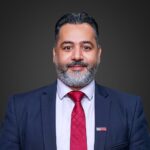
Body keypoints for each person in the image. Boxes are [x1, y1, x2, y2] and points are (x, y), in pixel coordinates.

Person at [0, 12, 149, 150]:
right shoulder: (19, 109)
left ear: (99, 54)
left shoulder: (130, 109)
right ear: (54, 54)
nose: (77, 56)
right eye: (67, 47)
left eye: (86, 47)